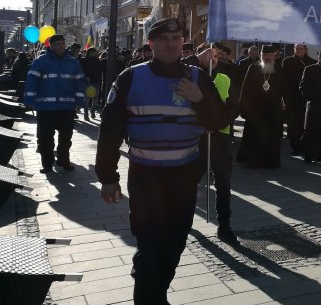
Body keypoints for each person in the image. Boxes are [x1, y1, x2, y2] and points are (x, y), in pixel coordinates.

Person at [95, 18, 225, 305]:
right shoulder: (131, 77)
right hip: (145, 177)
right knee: (150, 245)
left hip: (184, 177)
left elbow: (220, 120)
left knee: (175, 243)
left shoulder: (198, 78)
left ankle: (155, 290)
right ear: (151, 44)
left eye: (176, 38)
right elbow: (110, 129)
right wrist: (107, 176)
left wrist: (201, 98)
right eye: (164, 38)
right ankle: (148, 295)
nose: (171, 43)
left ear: (183, 43)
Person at [196, 45, 240, 244]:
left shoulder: (224, 79)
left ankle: (224, 225)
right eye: (208, 56)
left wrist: (218, 124)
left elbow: (233, 109)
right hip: (197, 139)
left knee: (223, 182)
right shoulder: (192, 76)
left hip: (219, 138)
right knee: (189, 181)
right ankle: (183, 217)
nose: (212, 59)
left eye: (215, 56)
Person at [23, 35, 85, 173]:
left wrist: (80, 100)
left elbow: (79, 82)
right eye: (57, 44)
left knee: (65, 138)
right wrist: (29, 100)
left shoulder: (73, 62)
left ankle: (64, 161)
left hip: (66, 107)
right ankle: (47, 164)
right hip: (45, 108)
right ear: (50, 45)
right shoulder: (40, 61)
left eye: (63, 43)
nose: (61, 46)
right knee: (45, 139)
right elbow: (31, 80)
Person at [237, 45, 285, 168]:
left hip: (272, 109)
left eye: (270, 55)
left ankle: (270, 162)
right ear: (261, 55)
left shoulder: (278, 69)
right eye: (265, 55)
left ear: (274, 56)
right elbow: (245, 89)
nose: (267, 58)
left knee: (271, 137)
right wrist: (244, 109)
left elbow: (284, 89)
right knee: (254, 136)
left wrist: (284, 106)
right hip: (255, 109)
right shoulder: (253, 68)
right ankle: (252, 161)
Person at [282, 44, 317, 155]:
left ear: (305, 50)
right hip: (292, 97)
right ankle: (295, 146)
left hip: (307, 97)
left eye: (301, 49)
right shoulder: (287, 62)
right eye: (296, 48)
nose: (298, 50)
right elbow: (284, 81)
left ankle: (305, 145)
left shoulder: (312, 62)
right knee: (293, 123)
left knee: (305, 123)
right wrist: (284, 98)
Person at [80, 47, 103, 120]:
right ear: (90, 52)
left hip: (96, 81)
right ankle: (86, 114)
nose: (96, 53)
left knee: (96, 99)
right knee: (86, 99)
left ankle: (92, 110)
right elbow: (81, 70)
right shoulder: (83, 60)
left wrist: (100, 81)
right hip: (87, 82)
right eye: (94, 52)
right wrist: (86, 77)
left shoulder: (97, 60)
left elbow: (100, 70)